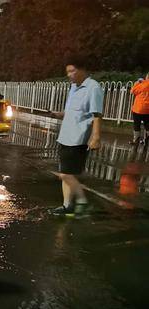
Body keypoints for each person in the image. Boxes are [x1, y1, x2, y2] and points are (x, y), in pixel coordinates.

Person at [49, 57, 103, 216]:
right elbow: (73, 110)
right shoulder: (73, 87)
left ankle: (82, 200)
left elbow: (97, 114)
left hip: (78, 138)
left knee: (65, 174)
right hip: (65, 135)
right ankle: (67, 206)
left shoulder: (93, 87)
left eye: (72, 71)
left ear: (82, 69)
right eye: (68, 72)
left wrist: (96, 137)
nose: (70, 75)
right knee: (65, 173)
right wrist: (60, 114)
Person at [130, 73, 149, 145]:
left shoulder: (143, 84)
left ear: (147, 76)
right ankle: (146, 141)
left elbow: (132, 91)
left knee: (136, 125)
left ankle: (136, 140)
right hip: (148, 110)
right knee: (147, 125)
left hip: (138, 109)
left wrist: (137, 82)